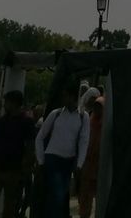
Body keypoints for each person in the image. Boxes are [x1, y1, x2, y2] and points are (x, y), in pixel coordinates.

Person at [34, 82, 90, 218]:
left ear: (72, 97)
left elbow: (84, 141)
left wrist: (79, 164)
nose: (63, 99)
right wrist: (41, 160)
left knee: (58, 196)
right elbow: (40, 137)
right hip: (52, 158)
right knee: (57, 195)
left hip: (68, 162)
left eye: (66, 96)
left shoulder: (83, 117)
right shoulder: (56, 114)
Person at [0, 89, 36, 218]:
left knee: (11, 207)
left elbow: (30, 146)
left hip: (14, 170)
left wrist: (26, 167)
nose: (5, 104)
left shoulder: (26, 122)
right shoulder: (0, 121)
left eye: (7, 102)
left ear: (15, 103)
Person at [77, 94, 103, 218]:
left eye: (100, 107)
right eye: (95, 106)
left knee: (101, 195)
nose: (97, 109)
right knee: (85, 197)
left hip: (100, 166)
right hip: (88, 165)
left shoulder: (105, 124)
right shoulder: (89, 122)